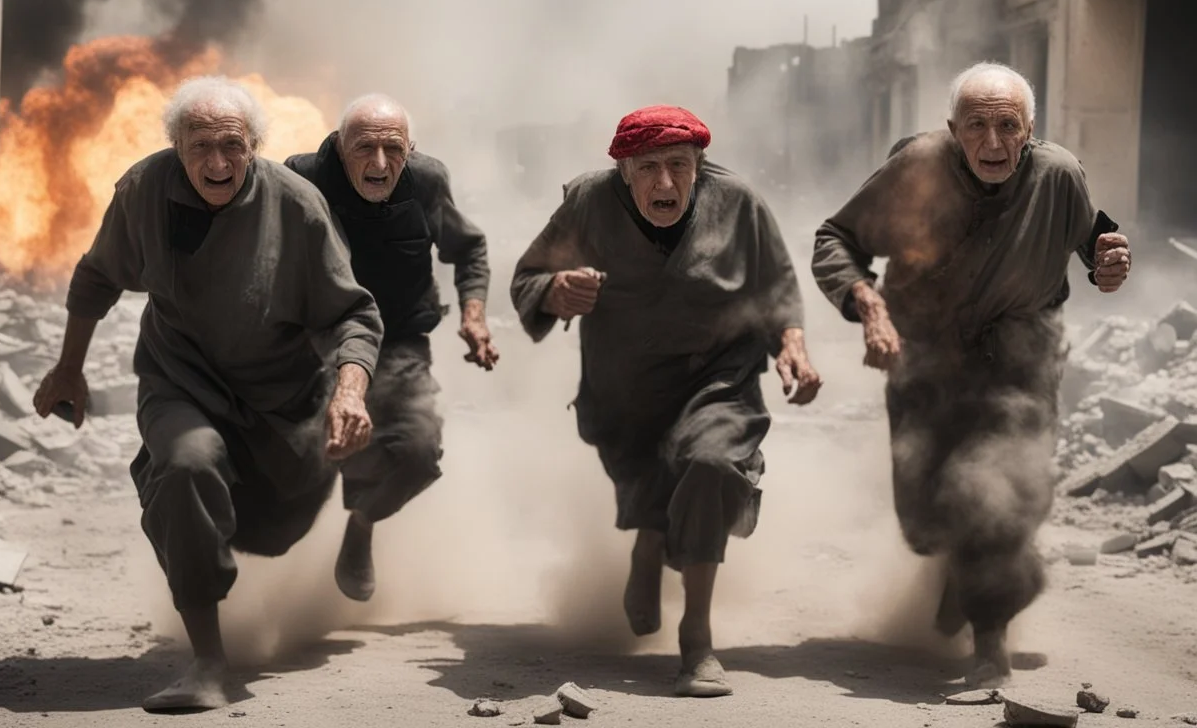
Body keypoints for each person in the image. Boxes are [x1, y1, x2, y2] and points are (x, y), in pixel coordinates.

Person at [32, 76, 384, 712]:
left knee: (275, 531)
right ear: (175, 146)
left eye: (233, 145)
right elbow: (96, 278)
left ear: (254, 146)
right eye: (201, 146)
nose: (217, 163)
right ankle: (208, 662)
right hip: (181, 380)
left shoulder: (298, 207)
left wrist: (350, 392)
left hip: (281, 404)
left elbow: (353, 317)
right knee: (185, 465)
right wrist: (68, 369)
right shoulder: (142, 191)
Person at [811, 62, 1132, 687]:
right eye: (977, 126)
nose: (992, 143)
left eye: (1008, 126)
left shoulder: (1058, 174)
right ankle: (966, 566)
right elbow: (836, 237)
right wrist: (867, 303)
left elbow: (1092, 237)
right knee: (925, 523)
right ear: (953, 129)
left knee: (998, 493)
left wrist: (1107, 264)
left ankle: (991, 649)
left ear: (1030, 130)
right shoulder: (917, 170)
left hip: (1019, 360)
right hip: (925, 356)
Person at [511, 105, 821, 697]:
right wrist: (554, 290)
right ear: (623, 171)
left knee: (710, 465)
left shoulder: (739, 203)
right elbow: (527, 278)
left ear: (699, 166)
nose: (665, 184)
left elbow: (778, 284)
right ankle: (649, 544)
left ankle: (697, 638)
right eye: (648, 168)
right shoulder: (587, 202)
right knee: (650, 482)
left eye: (679, 166)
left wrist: (794, 346)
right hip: (625, 385)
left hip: (719, 375)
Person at [284, 93, 496, 601]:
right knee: (287, 454)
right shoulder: (301, 178)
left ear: (411, 150)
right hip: (314, 339)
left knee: (420, 452)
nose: (380, 163)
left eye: (393, 149)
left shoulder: (426, 181)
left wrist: (473, 315)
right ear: (339, 145)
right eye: (365, 148)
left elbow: (468, 249)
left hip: (400, 338)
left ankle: (361, 522)